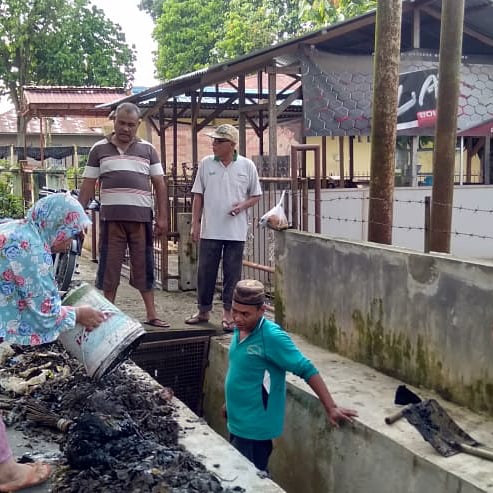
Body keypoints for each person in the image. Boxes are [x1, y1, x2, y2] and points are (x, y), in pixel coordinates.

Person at [0, 193, 105, 491]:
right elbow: (44, 315)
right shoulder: (28, 247)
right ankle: (7, 474)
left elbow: (20, 293)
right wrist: (79, 313)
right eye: (70, 234)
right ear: (56, 224)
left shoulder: (18, 230)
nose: (68, 243)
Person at [223, 279, 358, 472]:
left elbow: (306, 368)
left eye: (245, 314)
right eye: (235, 311)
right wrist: (230, 403)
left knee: (249, 479)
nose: (237, 318)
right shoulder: (240, 329)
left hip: (255, 428)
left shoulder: (271, 337)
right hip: (237, 421)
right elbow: (242, 370)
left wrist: (331, 407)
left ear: (262, 310)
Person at [78, 102, 170, 328]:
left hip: (141, 220)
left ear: (138, 125)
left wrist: (163, 217)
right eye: (122, 123)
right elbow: (88, 185)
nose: (126, 128)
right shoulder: (98, 149)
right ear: (114, 121)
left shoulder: (148, 149)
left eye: (131, 125)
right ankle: (105, 316)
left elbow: (159, 184)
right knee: (110, 267)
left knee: (144, 266)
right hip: (111, 220)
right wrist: (77, 217)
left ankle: (151, 314)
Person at [185, 124, 262, 331]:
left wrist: (242, 205)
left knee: (232, 274)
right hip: (211, 229)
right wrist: (195, 223)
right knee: (205, 271)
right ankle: (203, 310)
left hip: (235, 231)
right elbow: (198, 195)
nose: (214, 145)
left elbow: (255, 195)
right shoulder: (206, 164)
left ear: (232, 144)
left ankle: (228, 313)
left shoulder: (247, 166)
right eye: (214, 141)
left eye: (219, 141)